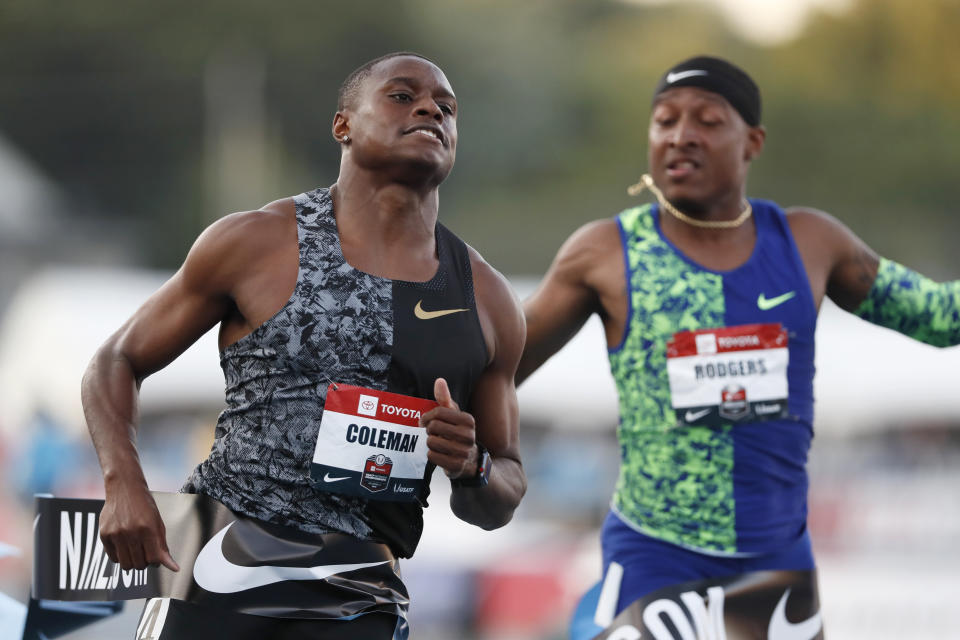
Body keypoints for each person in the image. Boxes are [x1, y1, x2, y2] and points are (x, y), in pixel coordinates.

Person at [81, 51, 526, 639]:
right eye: (401, 95)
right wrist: (123, 484)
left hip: (358, 590)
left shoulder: (487, 300)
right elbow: (116, 360)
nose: (429, 109)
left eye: (446, 107)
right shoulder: (257, 242)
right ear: (343, 124)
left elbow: (503, 493)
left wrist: (472, 466)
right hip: (218, 565)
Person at [518, 55, 960, 635]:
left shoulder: (810, 241)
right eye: (665, 120)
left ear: (752, 141)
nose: (681, 136)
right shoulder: (602, 251)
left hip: (776, 571)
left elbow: (940, 318)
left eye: (707, 120)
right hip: (656, 557)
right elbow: (499, 367)